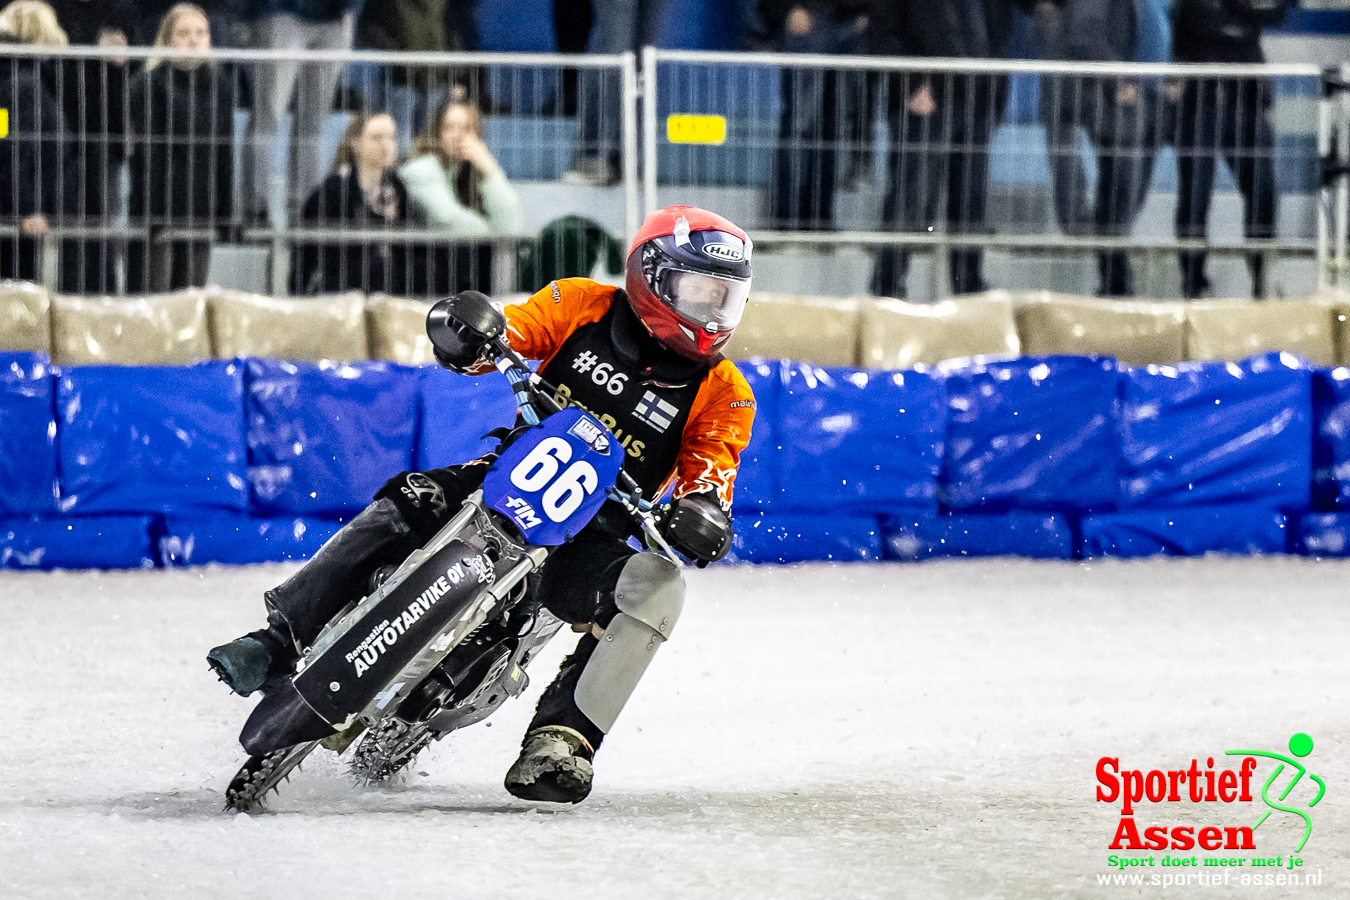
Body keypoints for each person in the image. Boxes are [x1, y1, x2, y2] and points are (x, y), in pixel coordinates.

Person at [207, 205, 756, 804]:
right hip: (501, 475)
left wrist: (702, 517)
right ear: (653, 276)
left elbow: (711, 476)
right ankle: (278, 641)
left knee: (661, 586)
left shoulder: (725, 393)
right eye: (700, 291)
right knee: (409, 498)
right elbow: (507, 336)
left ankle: (562, 739)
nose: (712, 311)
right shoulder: (579, 304)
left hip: (595, 535)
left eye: (724, 299)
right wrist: (470, 333)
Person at [869, 0, 1027, 299]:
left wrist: (994, 96)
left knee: (970, 204)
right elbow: (883, 34)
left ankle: (968, 289)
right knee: (909, 200)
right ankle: (887, 290)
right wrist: (913, 84)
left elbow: (998, 33)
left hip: (979, 99)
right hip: (926, 103)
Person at [1036, 0, 1169, 297]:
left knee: (1120, 198)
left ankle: (1116, 281)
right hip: (1098, 100)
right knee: (1114, 200)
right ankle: (1115, 281)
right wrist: (1118, 78)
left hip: (1121, 104)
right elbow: (1084, 37)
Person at [1170, 0, 1292, 299]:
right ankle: (1193, 282)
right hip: (1200, 105)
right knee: (1194, 198)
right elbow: (1197, 18)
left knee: (1263, 191)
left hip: (1248, 103)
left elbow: (1277, 12)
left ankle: (1262, 277)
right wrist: (1245, 10)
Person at [126, 3, 240, 291]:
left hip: (201, 208)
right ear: (168, 39)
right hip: (157, 210)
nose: (194, 40)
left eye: (201, 33)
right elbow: (146, 156)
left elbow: (224, 151)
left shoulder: (221, 85)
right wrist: (153, 213)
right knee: (153, 297)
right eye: (184, 33)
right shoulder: (148, 83)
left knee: (191, 299)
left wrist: (225, 213)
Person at [241, 0, 363, 222]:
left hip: (335, 19)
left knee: (313, 126)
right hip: (281, 12)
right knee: (267, 118)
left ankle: (305, 210)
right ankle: (255, 211)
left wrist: (351, 7)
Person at [761, 0, 873, 231]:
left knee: (833, 128)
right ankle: (786, 219)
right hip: (808, 19)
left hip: (852, 24)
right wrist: (788, 9)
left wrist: (869, 13)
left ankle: (820, 218)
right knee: (799, 125)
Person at [49, 0, 136, 293]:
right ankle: (69, 298)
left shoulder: (120, 10)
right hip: (60, 141)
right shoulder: (53, 10)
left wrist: (123, 56)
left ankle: (105, 299)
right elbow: (51, 68)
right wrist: (94, 49)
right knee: (71, 228)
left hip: (107, 139)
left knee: (105, 227)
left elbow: (137, 65)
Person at [401, 99, 523, 293]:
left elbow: (510, 225)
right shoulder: (421, 169)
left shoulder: (471, 175)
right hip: (423, 276)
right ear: (436, 131)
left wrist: (489, 168)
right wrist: (492, 232)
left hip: (459, 276)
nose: (457, 135)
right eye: (449, 127)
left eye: (466, 129)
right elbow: (448, 219)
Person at [292, 112, 415, 294]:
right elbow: (312, 256)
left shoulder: (398, 191)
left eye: (391, 137)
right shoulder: (332, 191)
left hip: (389, 289)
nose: (385, 145)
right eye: (376, 138)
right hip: (341, 289)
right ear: (356, 143)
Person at [0, 1, 71, 283]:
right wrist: (27, 207)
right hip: (21, 215)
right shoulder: (23, 84)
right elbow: (15, 147)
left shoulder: (12, 79)